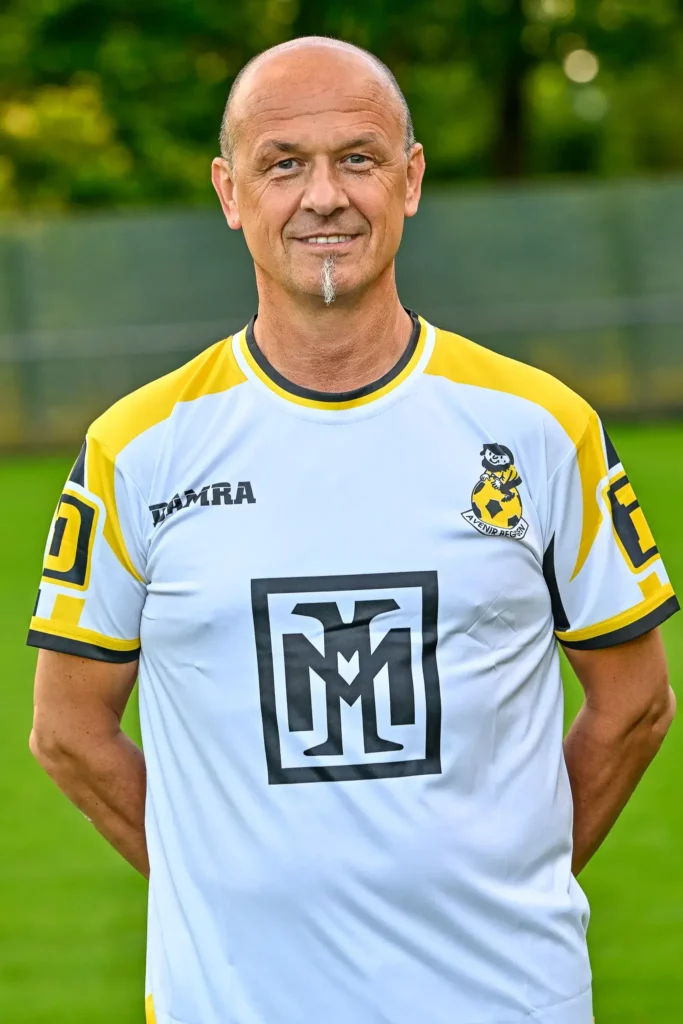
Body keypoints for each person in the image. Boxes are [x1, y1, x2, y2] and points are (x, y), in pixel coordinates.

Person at [28, 36, 677, 1024]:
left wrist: (503, 884)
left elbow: (633, 703)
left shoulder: (541, 428)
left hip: (503, 1001)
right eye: (281, 164)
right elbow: (68, 729)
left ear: (409, 179)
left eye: (357, 159)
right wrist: (223, 893)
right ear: (228, 191)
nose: (322, 195)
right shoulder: (136, 449)